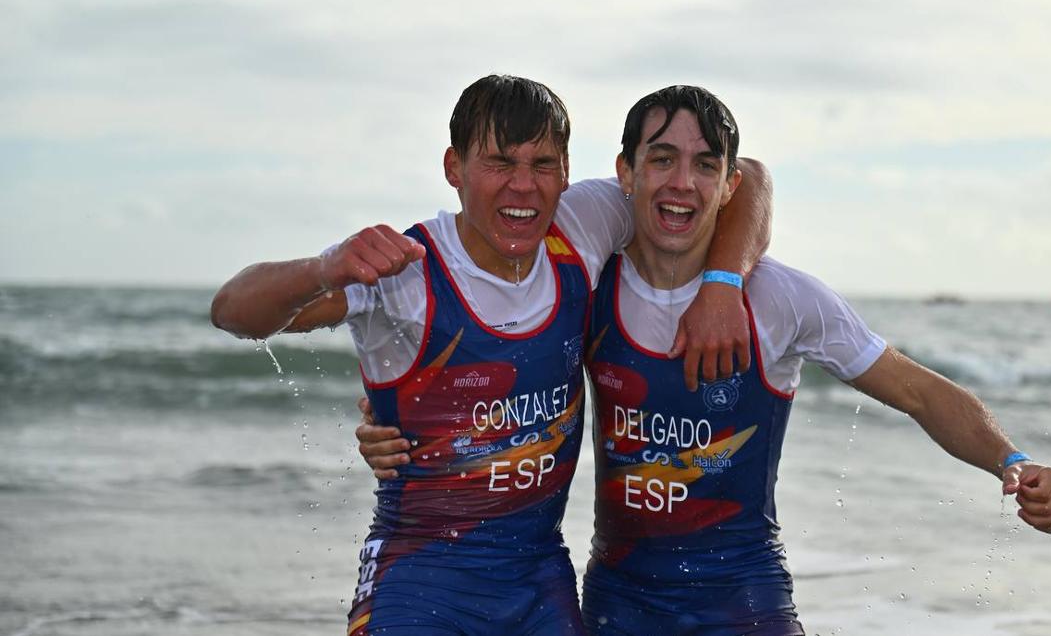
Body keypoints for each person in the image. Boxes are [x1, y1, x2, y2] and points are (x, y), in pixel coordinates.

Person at [358, 85, 1051, 635]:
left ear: (727, 186)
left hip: (744, 598)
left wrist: (1012, 462)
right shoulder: (588, 275)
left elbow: (919, 393)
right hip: (617, 601)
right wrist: (399, 421)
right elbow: (488, 344)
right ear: (623, 176)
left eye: (704, 166)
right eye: (661, 159)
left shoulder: (784, 299)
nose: (680, 183)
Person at [210, 75, 773, 636]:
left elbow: (749, 179)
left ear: (567, 172)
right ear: (455, 167)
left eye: (543, 165)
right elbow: (233, 311)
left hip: (539, 584)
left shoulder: (586, 223)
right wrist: (322, 267)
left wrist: (722, 285)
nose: (523, 187)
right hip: (420, 579)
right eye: (500, 163)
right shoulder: (405, 272)